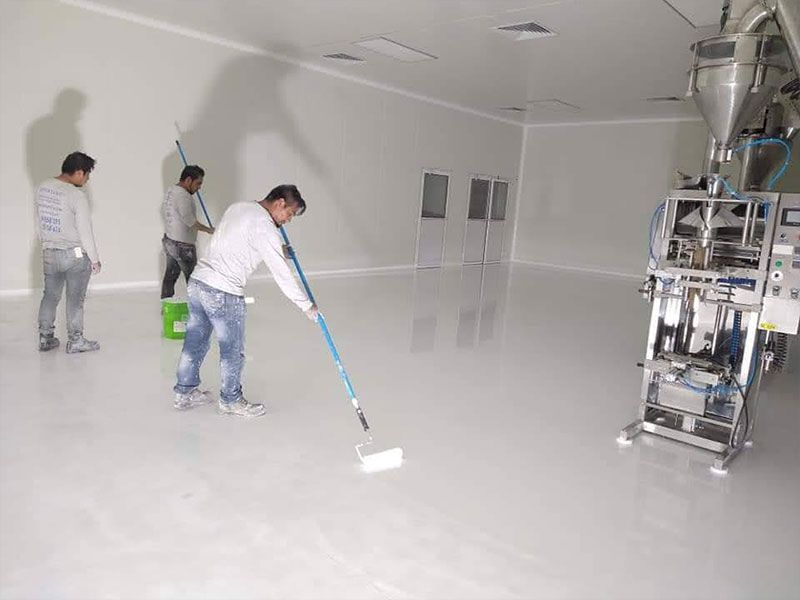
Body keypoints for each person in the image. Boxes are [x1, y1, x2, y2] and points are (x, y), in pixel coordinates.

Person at [172, 184, 318, 416]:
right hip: (223, 292)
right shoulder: (265, 226)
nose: (288, 220)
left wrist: (279, 249)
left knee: (195, 342)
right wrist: (307, 305)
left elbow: (238, 240)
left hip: (199, 283)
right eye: (289, 213)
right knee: (232, 350)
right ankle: (230, 400)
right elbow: (281, 274)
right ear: (280, 203)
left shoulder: (239, 207)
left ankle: (184, 392)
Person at [35, 151, 101, 353]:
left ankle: (45, 338)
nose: (87, 180)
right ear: (79, 172)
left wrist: (46, 243)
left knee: (50, 296)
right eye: (87, 175)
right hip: (75, 255)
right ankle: (76, 340)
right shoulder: (76, 195)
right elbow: (85, 231)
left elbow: (39, 220)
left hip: (50, 252)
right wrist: (95, 259)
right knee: (75, 300)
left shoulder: (43, 187)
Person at [161, 165, 214, 299]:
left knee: (170, 277)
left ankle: (165, 304)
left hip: (170, 241)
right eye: (198, 183)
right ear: (188, 180)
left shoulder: (172, 190)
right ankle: (198, 308)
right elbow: (190, 221)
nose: (199, 187)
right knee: (194, 280)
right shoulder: (183, 196)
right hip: (183, 247)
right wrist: (209, 230)